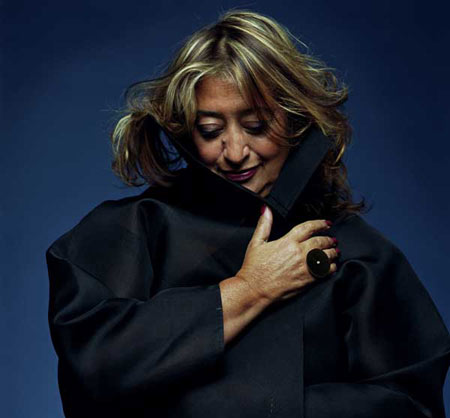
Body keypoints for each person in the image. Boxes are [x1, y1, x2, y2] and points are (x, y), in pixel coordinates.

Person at [46, 9, 450, 418]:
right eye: (210, 130)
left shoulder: (358, 256)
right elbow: (94, 368)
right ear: (185, 129)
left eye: (256, 125)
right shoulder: (131, 231)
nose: (236, 152)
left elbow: (412, 406)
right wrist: (250, 288)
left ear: (294, 120)